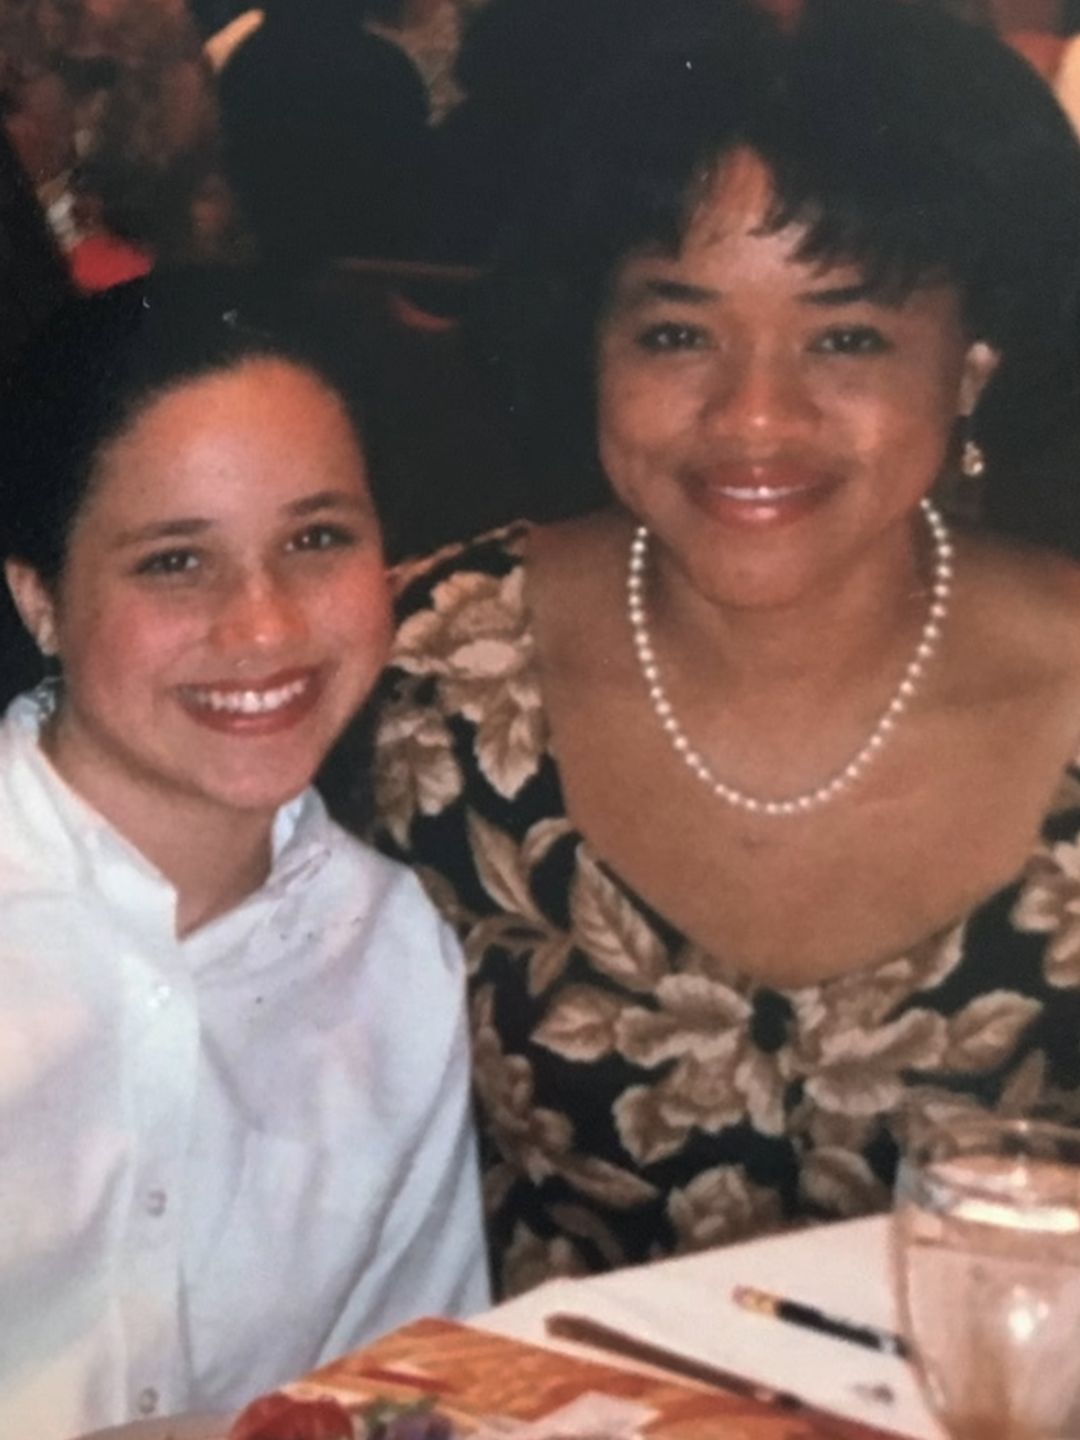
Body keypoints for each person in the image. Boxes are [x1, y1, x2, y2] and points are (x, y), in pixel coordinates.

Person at [334, 0, 1080, 1299]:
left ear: (970, 367)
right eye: (676, 332)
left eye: (847, 336)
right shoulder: (417, 676)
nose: (752, 417)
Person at [0, 274, 489, 1440]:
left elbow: (403, 1396)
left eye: (316, 539)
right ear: (40, 601)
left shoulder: (389, 951)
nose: (264, 623)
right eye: (176, 560)